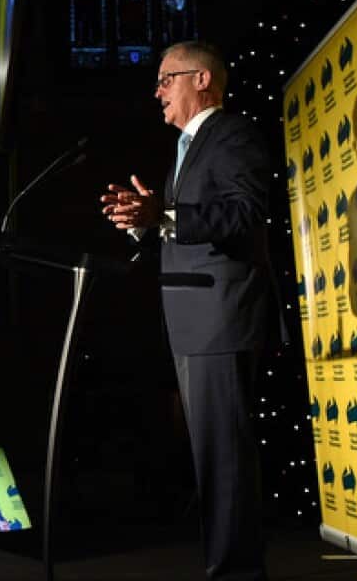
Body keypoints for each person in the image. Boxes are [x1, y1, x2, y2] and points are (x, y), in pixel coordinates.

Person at [100, 40, 273, 581]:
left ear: (202, 79)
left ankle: (236, 574)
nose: (157, 92)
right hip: (193, 322)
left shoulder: (232, 135)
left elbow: (244, 214)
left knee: (225, 462)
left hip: (221, 317)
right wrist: (143, 223)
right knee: (211, 462)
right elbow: (188, 225)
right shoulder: (188, 149)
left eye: (166, 79)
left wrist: (167, 213)